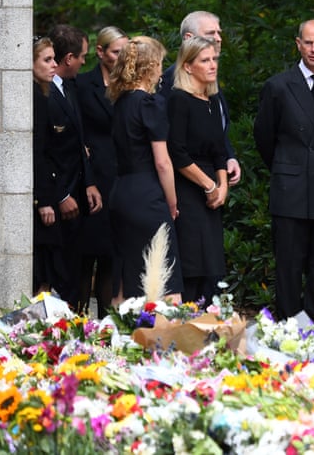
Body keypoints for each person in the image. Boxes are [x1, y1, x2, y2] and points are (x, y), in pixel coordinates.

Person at [254, 19, 314, 324]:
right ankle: (287, 329)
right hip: (290, 187)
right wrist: (289, 168)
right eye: (307, 43)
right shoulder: (278, 85)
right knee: (289, 265)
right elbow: (264, 136)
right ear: (298, 43)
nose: (313, 49)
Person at [107, 36, 183, 303]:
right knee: (166, 279)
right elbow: (162, 161)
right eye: (160, 63)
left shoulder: (120, 103)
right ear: (150, 66)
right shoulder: (151, 103)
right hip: (147, 196)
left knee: (126, 277)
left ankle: (117, 340)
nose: (162, 70)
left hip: (121, 193)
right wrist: (172, 202)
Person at [167, 36, 228, 303]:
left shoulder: (211, 100)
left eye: (214, 59)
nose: (212, 65)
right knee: (193, 263)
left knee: (213, 265)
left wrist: (223, 186)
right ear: (188, 66)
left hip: (211, 191)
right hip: (189, 188)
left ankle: (209, 329)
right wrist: (209, 185)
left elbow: (220, 149)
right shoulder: (179, 99)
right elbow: (176, 151)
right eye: (205, 60)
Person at [46, 24, 103, 310]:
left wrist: (89, 182)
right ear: (69, 58)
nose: (84, 61)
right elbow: (44, 152)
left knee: (74, 270)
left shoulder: (69, 88)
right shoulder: (45, 94)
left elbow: (79, 142)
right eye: (82, 56)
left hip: (78, 193)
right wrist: (60, 195)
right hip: (58, 199)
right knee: (57, 272)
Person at [76, 26, 129, 318]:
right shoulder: (83, 85)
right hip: (92, 177)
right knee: (86, 256)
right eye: (115, 52)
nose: (120, 58)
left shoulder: (129, 85)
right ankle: (79, 320)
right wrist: (88, 178)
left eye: (124, 52)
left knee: (112, 255)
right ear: (100, 52)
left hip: (120, 177)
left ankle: (107, 326)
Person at [159, 11, 241, 187]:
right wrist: (209, 185)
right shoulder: (170, 84)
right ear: (189, 38)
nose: (218, 38)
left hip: (214, 177)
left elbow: (216, 127)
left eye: (219, 33)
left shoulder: (209, 79)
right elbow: (172, 145)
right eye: (211, 33)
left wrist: (229, 157)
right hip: (184, 184)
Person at [32, 36, 62, 296]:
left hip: (44, 189)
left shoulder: (42, 94)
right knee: (42, 272)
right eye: (47, 60)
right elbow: (37, 152)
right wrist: (45, 201)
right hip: (42, 194)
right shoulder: (36, 99)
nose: (54, 65)